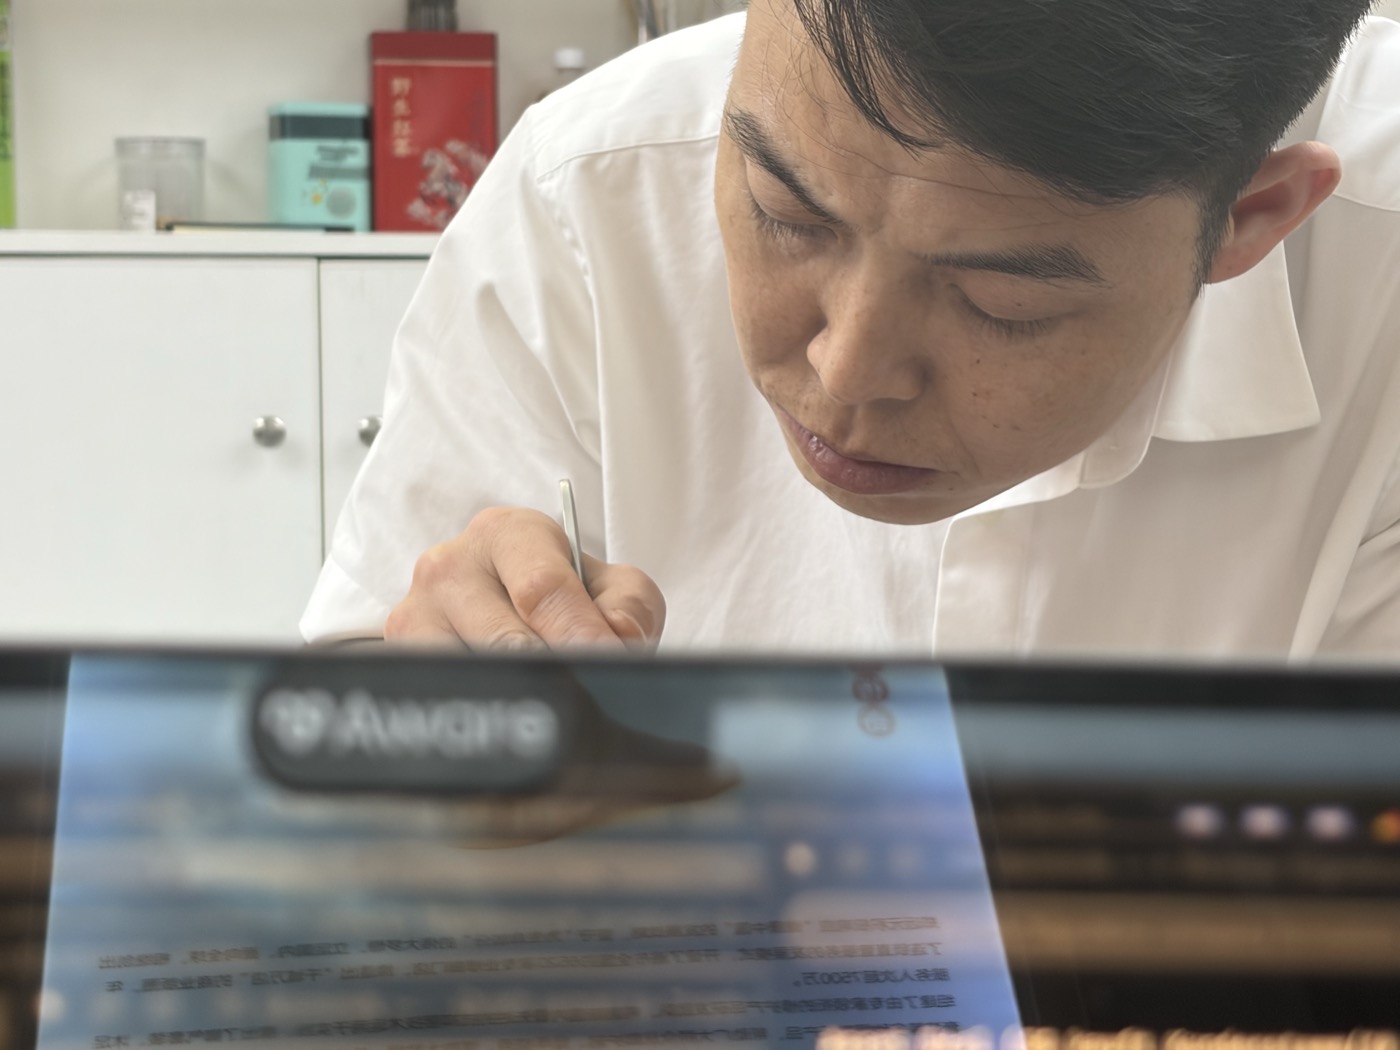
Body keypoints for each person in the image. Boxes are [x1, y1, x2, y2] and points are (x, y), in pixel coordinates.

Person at [301, 0, 1400, 660]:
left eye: (999, 300)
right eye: (787, 215)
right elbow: (333, 790)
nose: (846, 367)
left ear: (1248, 221)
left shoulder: (1380, 273)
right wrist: (424, 733)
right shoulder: (588, 190)